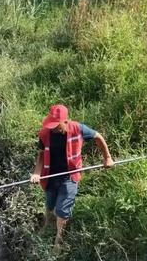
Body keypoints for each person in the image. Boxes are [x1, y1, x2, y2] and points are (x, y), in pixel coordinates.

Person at [30, 104, 114, 248]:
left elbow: (98, 136)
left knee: (62, 210)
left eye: (57, 125)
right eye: (52, 124)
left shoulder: (78, 129)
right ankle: (47, 225)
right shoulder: (45, 133)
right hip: (50, 175)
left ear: (65, 121)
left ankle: (58, 242)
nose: (54, 128)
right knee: (50, 204)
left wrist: (107, 157)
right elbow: (41, 156)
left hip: (70, 175)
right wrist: (37, 173)